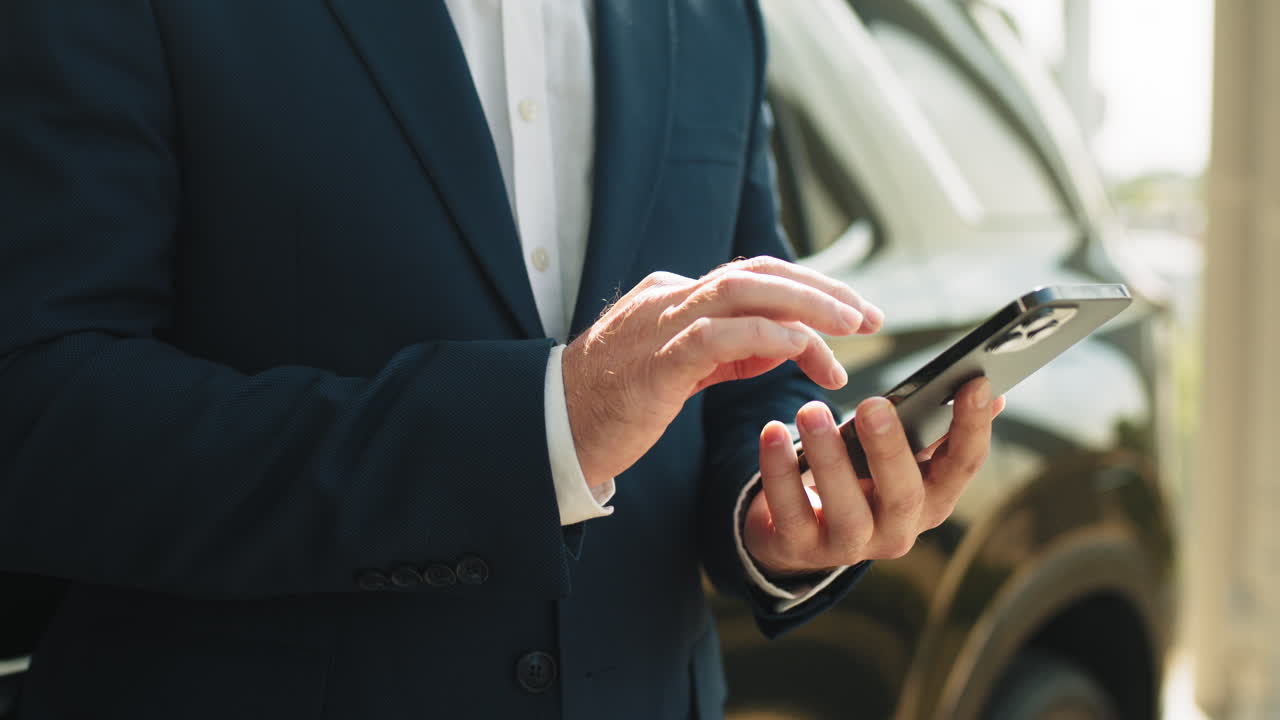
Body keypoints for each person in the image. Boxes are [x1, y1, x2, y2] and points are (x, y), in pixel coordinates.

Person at [0, 1, 1000, 718]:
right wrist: (542, 425)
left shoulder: (713, 17)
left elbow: (741, 347)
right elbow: (40, 417)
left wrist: (771, 514)